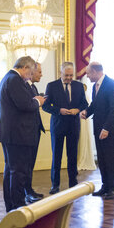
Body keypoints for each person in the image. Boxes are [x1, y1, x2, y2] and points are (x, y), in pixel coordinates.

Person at [0, 56, 46, 211]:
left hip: (12, 133)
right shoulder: (14, 80)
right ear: (24, 67)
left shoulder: (8, 78)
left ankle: (12, 206)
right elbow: (25, 104)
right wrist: (38, 101)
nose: (30, 77)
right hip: (18, 134)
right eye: (30, 73)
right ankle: (18, 207)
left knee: (11, 170)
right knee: (18, 172)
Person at [42, 61, 88, 194]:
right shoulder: (51, 86)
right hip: (58, 126)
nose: (69, 78)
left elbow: (84, 103)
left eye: (71, 75)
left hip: (73, 125)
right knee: (56, 156)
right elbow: (45, 106)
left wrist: (77, 109)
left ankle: (73, 183)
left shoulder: (79, 86)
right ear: (60, 72)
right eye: (66, 75)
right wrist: (58, 110)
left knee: (72, 156)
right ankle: (55, 185)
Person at [81, 61, 114, 200]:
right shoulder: (95, 86)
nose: (87, 76)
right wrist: (86, 112)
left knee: (110, 159)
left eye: (88, 73)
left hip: (109, 129)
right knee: (102, 159)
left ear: (95, 72)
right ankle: (105, 186)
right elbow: (95, 105)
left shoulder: (112, 85)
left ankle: (113, 188)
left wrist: (106, 128)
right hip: (98, 128)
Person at [26, 63, 46, 203]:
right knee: (25, 165)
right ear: (31, 72)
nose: (41, 74)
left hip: (35, 130)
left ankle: (29, 190)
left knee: (31, 163)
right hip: (26, 131)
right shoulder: (24, 87)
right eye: (39, 72)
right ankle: (26, 192)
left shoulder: (33, 87)